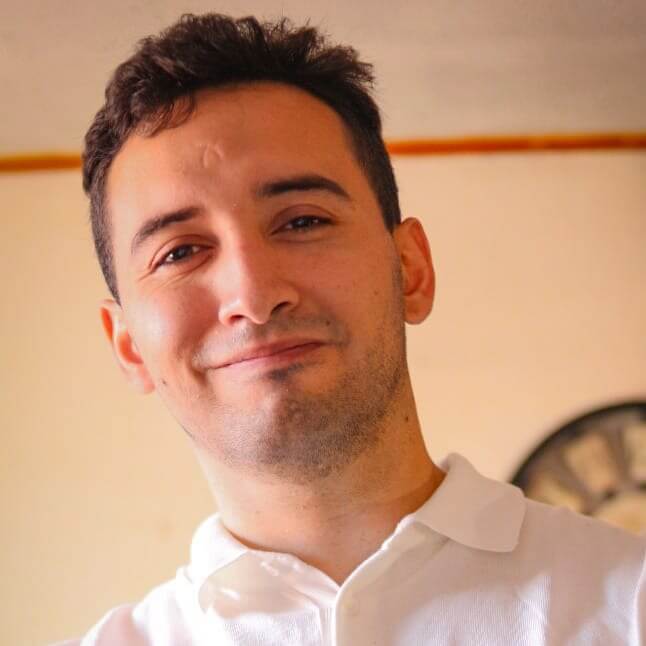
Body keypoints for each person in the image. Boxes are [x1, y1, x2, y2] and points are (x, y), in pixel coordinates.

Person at [60, 12, 644, 646]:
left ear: (410, 269)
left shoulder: (629, 603)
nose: (253, 296)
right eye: (179, 252)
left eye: (302, 221)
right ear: (128, 347)